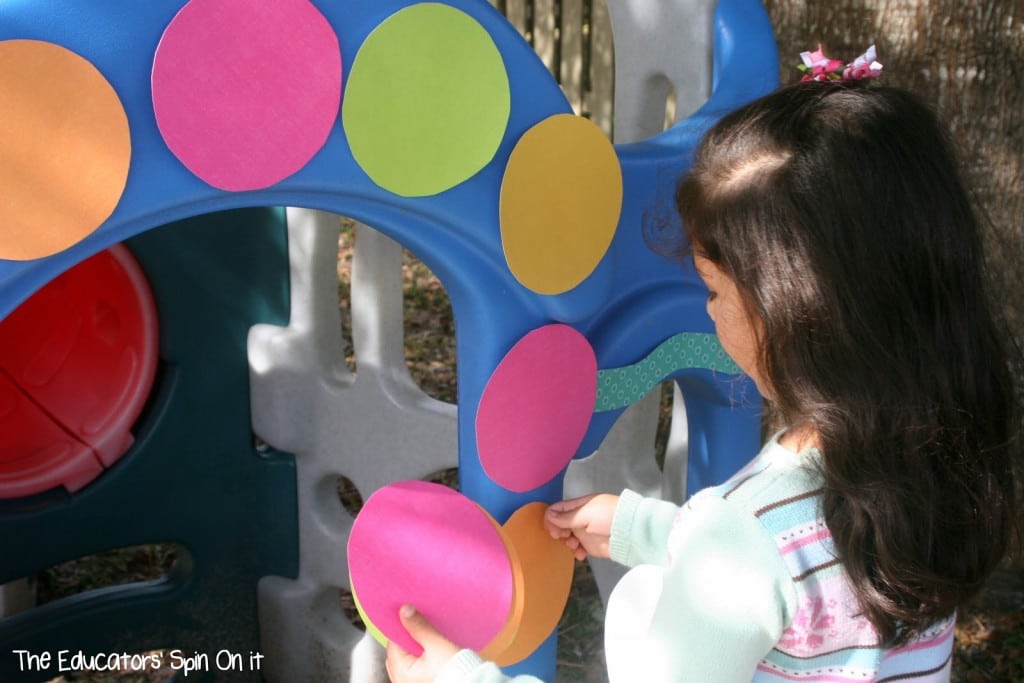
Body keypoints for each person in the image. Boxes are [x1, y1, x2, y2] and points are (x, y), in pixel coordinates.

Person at [385, 63, 1020, 683]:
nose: (709, 311)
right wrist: (652, 531)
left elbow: (761, 563)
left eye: (715, 291)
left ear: (790, 318)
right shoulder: (939, 460)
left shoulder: (747, 539)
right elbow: (799, 576)